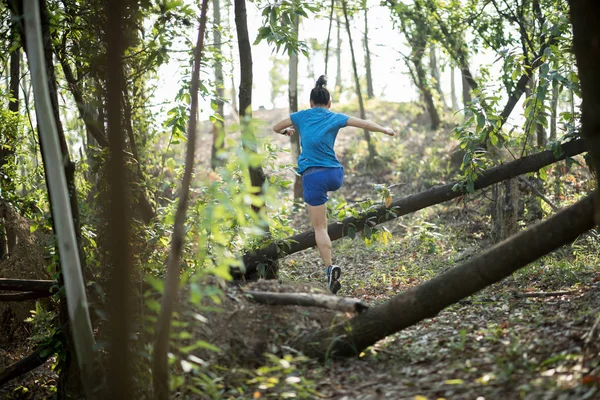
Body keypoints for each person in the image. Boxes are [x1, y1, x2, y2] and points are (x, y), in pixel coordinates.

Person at [273, 75, 395, 294]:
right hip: (335, 175)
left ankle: (330, 268)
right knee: (323, 209)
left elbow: (276, 127)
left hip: (314, 176)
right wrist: (384, 129)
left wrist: (287, 131)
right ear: (329, 104)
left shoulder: (301, 116)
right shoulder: (334, 116)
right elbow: (364, 124)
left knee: (320, 227)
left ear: (310, 103)